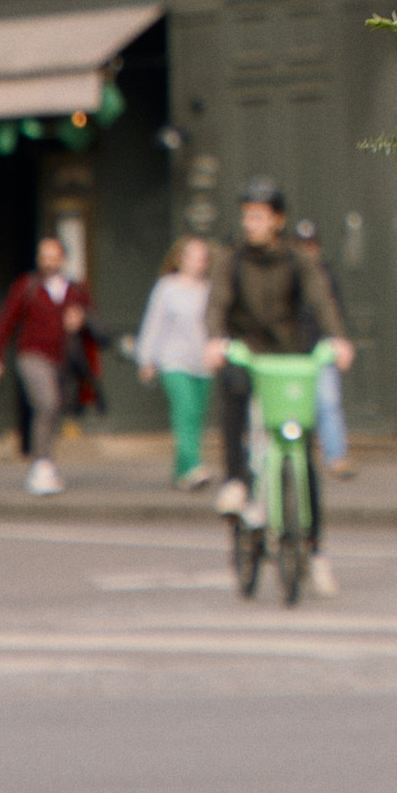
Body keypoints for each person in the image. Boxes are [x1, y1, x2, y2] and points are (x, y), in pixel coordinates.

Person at [209, 183, 352, 592]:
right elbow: (217, 303)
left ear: (277, 220)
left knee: (300, 449)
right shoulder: (231, 260)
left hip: (288, 357)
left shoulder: (297, 261)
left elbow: (321, 299)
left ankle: (315, 548)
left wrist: (337, 339)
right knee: (234, 389)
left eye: (258, 215)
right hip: (246, 353)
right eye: (247, 215)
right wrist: (215, 340)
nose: (250, 223)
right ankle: (236, 482)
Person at [0, 232, 95, 498]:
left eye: (53, 256)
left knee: (55, 408)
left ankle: (45, 462)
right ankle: (41, 465)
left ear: (63, 259)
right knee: (47, 402)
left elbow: (92, 321)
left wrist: (81, 320)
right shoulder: (27, 286)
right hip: (32, 355)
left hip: (63, 360)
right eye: (43, 256)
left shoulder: (75, 290)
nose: (48, 261)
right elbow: (5, 322)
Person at [133, 235, 216, 489]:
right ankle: (193, 467)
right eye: (194, 256)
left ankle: (181, 472)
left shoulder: (209, 290)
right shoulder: (167, 288)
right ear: (181, 259)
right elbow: (154, 323)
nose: (199, 262)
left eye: (203, 257)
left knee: (196, 416)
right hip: (173, 361)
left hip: (203, 363)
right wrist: (146, 358)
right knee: (185, 410)